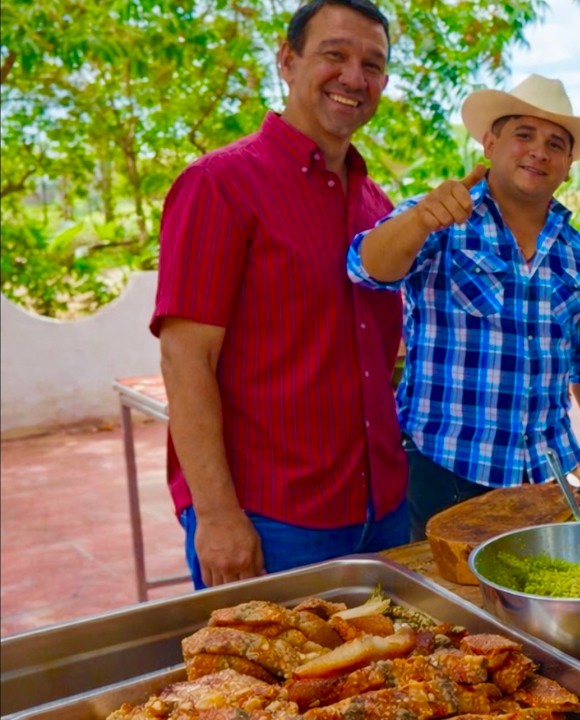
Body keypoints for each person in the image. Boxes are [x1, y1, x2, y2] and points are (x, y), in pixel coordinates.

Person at [152, 0, 408, 589]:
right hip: (273, 520)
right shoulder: (220, 184)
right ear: (287, 62)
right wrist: (217, 518)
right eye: (334, 55)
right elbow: (185, 357)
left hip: (385, 514)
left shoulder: (378, 209)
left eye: (372, 64)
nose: (353, 77)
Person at [348, 75, 580, 541]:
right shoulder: (441, 217)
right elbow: (365, 268)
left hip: (545, 473)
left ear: (569, 166)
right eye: (523, 135)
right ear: (490, 143)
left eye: (556, 143)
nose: (539, 151)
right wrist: (420, 221)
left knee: (536, 601)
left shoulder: (574, 249)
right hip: (445, 467)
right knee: (446, 606)